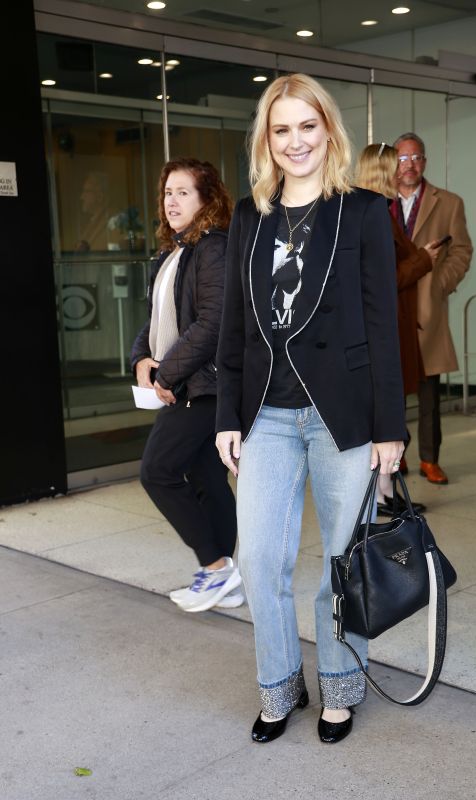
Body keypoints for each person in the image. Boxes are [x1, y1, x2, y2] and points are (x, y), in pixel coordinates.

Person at [215, 74, 406, 745]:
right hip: (265, 412)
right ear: (266, 139)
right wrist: (225, 416)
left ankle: (341, 687)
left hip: (343, 414)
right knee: (260, 560)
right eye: (281, 128)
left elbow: (384, 325)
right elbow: (234, 324)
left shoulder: (360, 211)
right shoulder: (248, 216)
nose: (295, 141)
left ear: (329, 129)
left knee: (341, 564)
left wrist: (391, 429)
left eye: (307, 126)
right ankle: (280, 684)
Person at [130, 157, 243, 612]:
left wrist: (168, 373)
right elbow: (156, 318)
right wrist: (141, 357)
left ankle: (216, 569)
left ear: (206, 199)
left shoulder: (212, 247)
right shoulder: (174, 251)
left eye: (182, 192)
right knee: (206, 477)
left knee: (157, 471)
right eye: (167, 193)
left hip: (203, 385)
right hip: (187, 381)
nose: (171, 201)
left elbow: (213, 323)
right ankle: (227, 578)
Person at [356, 142, 441, 516]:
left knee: (390, 413)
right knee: (387, 414)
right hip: (387, 325)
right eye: (396, 166)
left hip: (394, 322)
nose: (402, 173)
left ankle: (386, 493)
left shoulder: (375, 210)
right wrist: (423, 258)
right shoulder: (374, 212)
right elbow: (384, 278)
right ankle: (383, 496)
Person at [392, 132, 473, 484]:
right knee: (392, 388)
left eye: (417, 158)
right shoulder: (377, 201)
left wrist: (442, 284)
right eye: (402, 158)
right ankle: (397, 454)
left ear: (425, 161)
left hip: (427, 306)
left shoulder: (449, 202)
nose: (410, 165)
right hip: (392, 305)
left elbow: (462, 250)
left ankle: (429, 459)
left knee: (429, 392)